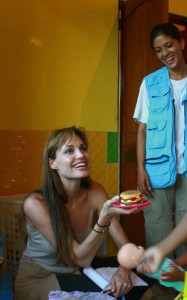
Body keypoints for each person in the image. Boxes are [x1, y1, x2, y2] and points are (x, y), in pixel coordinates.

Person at [14, 126, 146, 300]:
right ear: (52, 163)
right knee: (110, 293)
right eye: (69, 150)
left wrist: (124, 270)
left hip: (80, 270)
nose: (81, 155)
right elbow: (80, 258)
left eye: (83, 148)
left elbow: (124, 245)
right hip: (41, 277)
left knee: (144, 273)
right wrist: (104, 217)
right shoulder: (36, 204)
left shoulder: (95, 191)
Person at [133, 22, 187, 258]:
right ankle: (162, 293)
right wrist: (140, 170)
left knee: (185, 235)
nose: (165, 53)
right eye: (158, 49)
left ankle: (183, 291)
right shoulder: (149, 83)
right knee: (158, 232)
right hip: (156, 173)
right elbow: (142, 130)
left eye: (169, 45)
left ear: (181, 43)